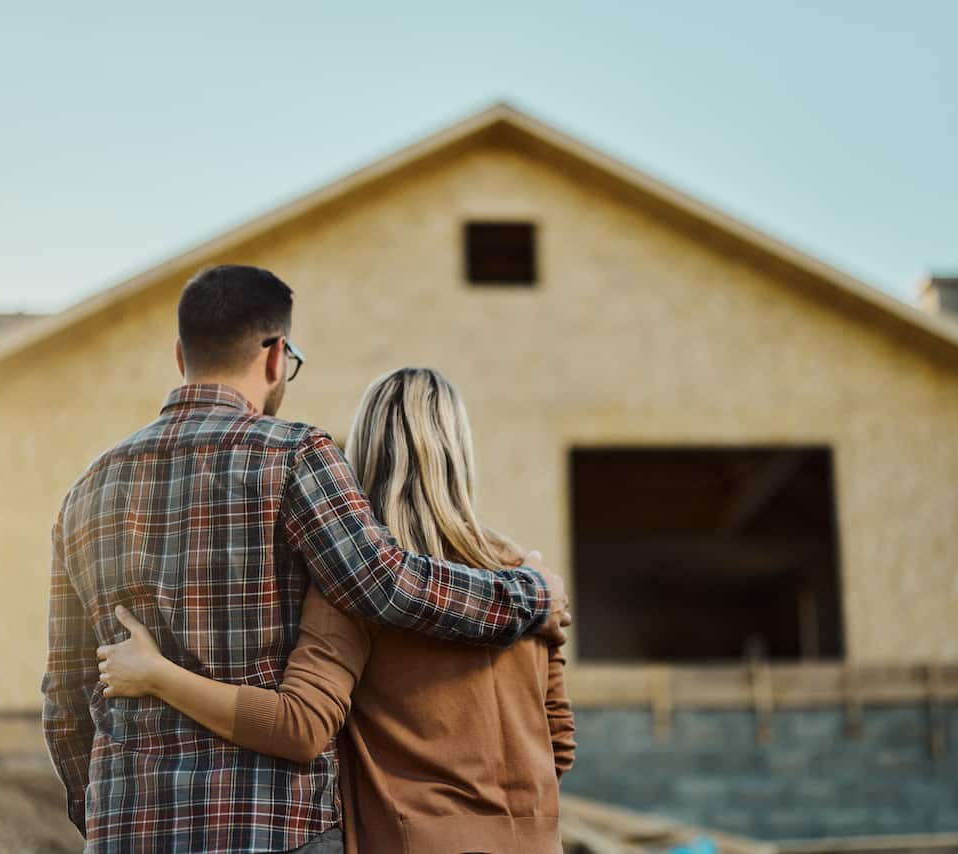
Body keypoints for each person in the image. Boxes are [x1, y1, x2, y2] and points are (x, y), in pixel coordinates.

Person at [41, 265, 570, 854]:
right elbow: (387, 585)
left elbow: (65, 697)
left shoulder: (85, 491)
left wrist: (108, 818)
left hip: (128, 830)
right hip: (273, 830)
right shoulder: (295, 456)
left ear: (179, 355)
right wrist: (530, 595)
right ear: (275, 356)